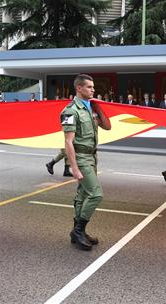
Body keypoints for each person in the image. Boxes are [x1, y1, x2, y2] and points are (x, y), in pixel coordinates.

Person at [61, 74, 111, 251]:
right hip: (81, 158)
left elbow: (107, 126)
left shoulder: (91, 108)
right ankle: (78, 230)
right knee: (96, 194)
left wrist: (98, 105)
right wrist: (73, 167)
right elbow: (68, 142)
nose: (93, 90)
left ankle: (78, 232)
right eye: (89, 87)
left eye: (93, 87)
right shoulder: (70, 111)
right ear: (79, 88)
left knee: (83, 195)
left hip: (92, 157)